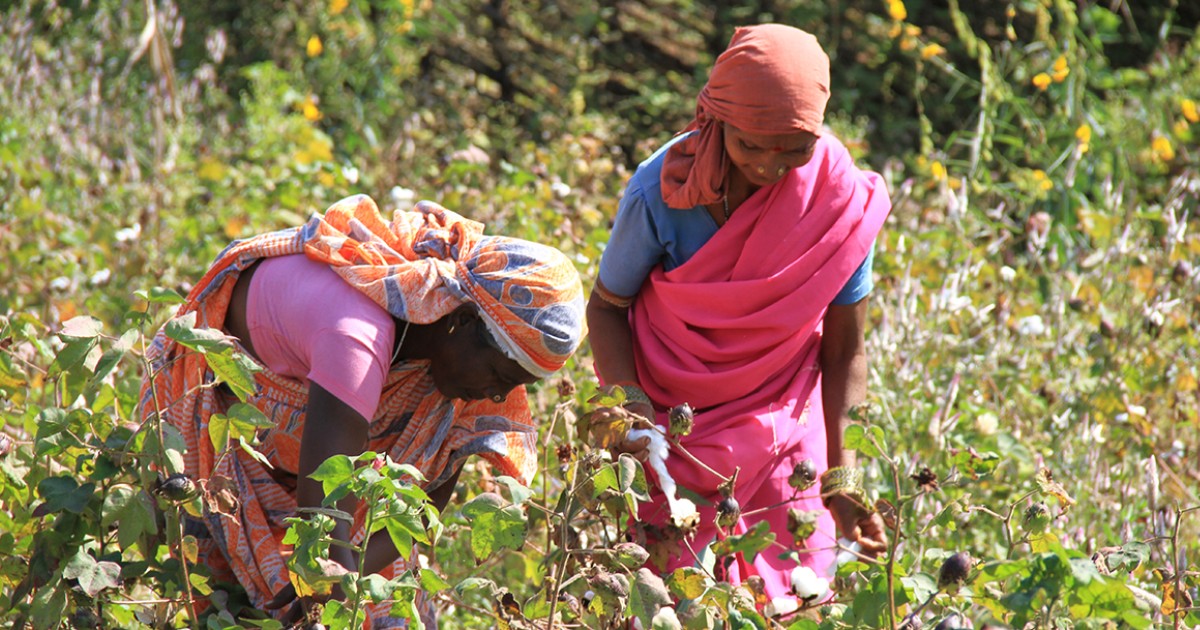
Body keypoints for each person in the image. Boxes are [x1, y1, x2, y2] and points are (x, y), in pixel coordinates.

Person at [138, 193, 585, 627]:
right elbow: (325, 516)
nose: (494, 396)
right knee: (239, 606)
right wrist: (332, 578)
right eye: (499, 377)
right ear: (463, 321)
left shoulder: (455, 340)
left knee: (372, 600)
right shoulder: (357, 334)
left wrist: (353, 578)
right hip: (224, 431)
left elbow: (422, 502)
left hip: (311, 468)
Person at [585, 24, 890, 607]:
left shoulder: (837, 202)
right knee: (674, 603)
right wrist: (634, 416)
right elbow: (606, 308)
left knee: (793, 598)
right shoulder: (662, 190)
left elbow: (845, 347)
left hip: (783, 428)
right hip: (670, 430)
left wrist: (843, 478)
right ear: (716, 120)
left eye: (794, 147)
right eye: (751, 145)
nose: (772, 166)